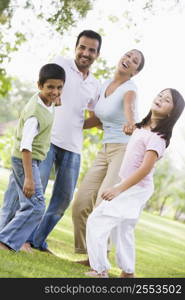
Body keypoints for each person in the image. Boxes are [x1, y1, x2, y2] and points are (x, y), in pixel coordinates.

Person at [84, 88, 185, 278]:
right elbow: (135, 139)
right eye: (160, 95)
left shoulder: (158, 139)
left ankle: (100, 270)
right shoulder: (142, 129)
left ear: (172, 112)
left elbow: (145, 169)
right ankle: (128, 272)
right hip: (134, 187)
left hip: (134, 188)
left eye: (167, 100)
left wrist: (118, 189)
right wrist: (130, 129)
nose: (160, 99)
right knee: (123, 229)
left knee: (97, 220)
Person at [21, 29, 102, 253]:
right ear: (76, 47)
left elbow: (95, 115)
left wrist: (80, 124)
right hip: (49, 140)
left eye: (91, 50)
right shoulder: (60, 64)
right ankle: (24, 239)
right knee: (37, 193)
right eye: (82, 47)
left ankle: (38, 240)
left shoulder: (95, 84)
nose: (86, 53)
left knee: (63, 200)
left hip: (73, 148)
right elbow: (44, 90)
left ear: (97, 54)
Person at [72, 49, 145, 264]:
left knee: (102, 205)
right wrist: (72, 124)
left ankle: (99, 259)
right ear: (120, 57)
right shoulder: (103, 85)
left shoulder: (130, 90)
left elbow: (130, 112)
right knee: (80, 203)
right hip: (104, 150)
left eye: (134, 61)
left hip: (123, 150)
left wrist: (131, 125)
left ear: (135, 72)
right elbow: (97, 119)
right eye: (128, 55)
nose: (128, 60)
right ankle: (91, 253)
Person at [0, 63, 66, 252]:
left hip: (26, 160)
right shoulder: (34, 115)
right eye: (50, 87)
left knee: (13, 202)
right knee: (36, 206)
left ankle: (4, 235)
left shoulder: (46, 101)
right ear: (39, 85)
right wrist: (29, 178)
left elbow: (53, 100)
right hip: (25, 161)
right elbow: (26, 147)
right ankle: (6, 241)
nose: (55, 92)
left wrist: (55, 99)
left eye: (59, 87)